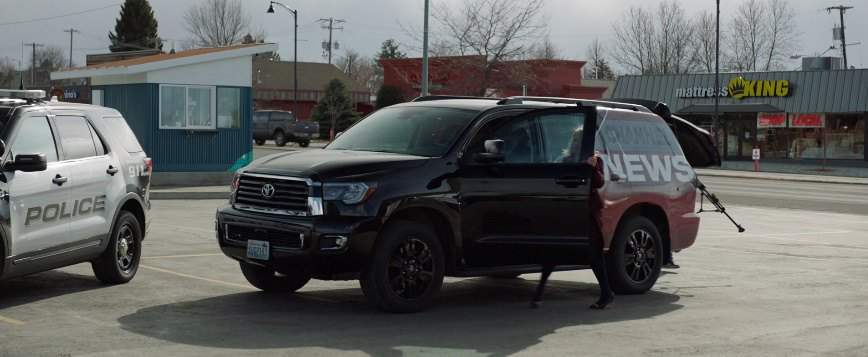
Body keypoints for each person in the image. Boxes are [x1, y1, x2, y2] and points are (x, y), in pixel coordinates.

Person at [532, 151, 614, 309]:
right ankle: (539, 292)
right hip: (568, 208)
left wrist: (592, 167)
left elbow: (599, 182)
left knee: (594, 254)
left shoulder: (595, 161)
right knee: (552, 250)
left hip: (587, 212)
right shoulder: (566, 159)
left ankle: (606, 293)